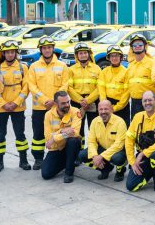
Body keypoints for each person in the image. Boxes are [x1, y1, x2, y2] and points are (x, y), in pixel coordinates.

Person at [26, 36, 70, 171]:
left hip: (58, 108)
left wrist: (54, 101)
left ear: (53, 49)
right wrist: (45, 100)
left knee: (60, 132)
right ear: (41, 50)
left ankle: (63, 157)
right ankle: (38, 159)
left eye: (49, 47)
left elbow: (65, 85)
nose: (47, 50)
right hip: (40, 107)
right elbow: (32, 86)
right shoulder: (34, 66)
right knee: (38, 134)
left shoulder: (62, 66)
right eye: (44, 48)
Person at [0, 40, 30, 172]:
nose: (10, 54)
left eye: (12, 52)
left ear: (16, 53)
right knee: (0, 136)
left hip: (18, 108)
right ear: (3, 54)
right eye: (7, 52)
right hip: (2, 109)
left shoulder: (23, 68)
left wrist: (16, 102)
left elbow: (26, 88)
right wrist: (4, 104)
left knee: (20, 135)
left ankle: (23, 161)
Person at [125, 90, 155, 192]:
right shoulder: (137, 117)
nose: (147, 103)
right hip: (144, 155)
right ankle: (151, 170)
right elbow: (129, 140)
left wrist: (143, 154)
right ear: (142, 102)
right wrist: (132, 162)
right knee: (131, 186)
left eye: (150, 100)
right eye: (145, 101)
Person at [77, 100, 128, 181]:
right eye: (101, 109)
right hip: (103, 148)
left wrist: (101, 156)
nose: (103, 112)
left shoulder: (120, 122)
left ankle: (120, 170)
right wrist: (94, 156)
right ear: (98, 110)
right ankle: (105, 169)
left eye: (106, 109)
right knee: (82, 155)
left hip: (117, 151)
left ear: (111, 109)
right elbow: (91, 141)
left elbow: (119, 145)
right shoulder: (95, 121)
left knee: (118, 159)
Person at [40, 91, 83, 183]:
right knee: (46, 174)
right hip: (57, 148)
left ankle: (69, 172)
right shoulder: (48, 115)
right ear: (56, 104)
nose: (67, 105)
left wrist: (55, 137)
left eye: (68, 102)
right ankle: (68, 160)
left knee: (73, 140)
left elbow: (75, 133)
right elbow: (48, 138)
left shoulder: (75, 111)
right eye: (63, 103)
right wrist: (63, 131)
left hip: (71, 146)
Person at [67, 42, 101, 144]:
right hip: (77, 102)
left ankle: (93, 150)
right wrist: (81, 100)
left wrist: (88, 100)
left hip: (93, 101)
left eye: (85, 53)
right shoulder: (71, 69)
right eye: (80, 53)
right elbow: (69, 88)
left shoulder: (97, 68)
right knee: (78, 127)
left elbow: (99, 87)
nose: (83, 55)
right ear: (77, 55)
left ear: (89, 54)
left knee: (94, 127)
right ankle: (79, 150)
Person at [126, 33, 155, 119]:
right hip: (135, 103)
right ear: (131, 48)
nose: (137, 46)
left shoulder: (152, 63)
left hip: (149, 102)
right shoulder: (130, 65)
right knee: (136, 125)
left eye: (140, 44)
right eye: (134, 45)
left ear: (145, 46)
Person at [98, 45, 130, 125]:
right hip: (107, 104)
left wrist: (115, 108)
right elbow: (101, 90)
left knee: (123, 128)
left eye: (116, 55)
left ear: (121, 57)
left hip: (122, 107)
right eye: (112, 56)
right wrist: (105, 106)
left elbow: (126, 93)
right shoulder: (104, 72)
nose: (114, 58)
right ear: (109, 58)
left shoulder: (126, 72)